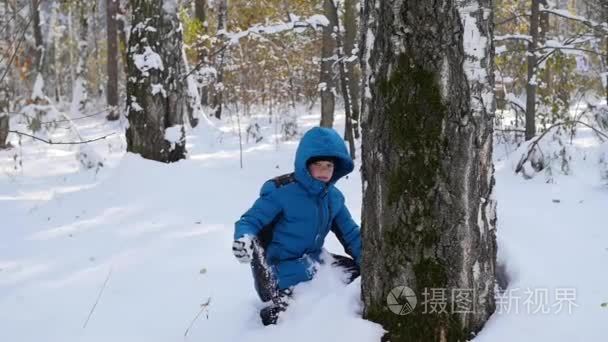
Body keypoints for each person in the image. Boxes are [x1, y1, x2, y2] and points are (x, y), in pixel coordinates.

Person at [232, 126, 362, 325]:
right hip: (280, 270)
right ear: (305, 164)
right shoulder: (281, 192)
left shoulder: (333, 198)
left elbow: (351, 234)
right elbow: (250, 221)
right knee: (292, 316)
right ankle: (275, 318)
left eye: (329, 165)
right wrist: (244, 239)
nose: (324, 171)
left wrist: (368, 260)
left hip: (317, 262)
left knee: (356, 278)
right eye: (317, 164)